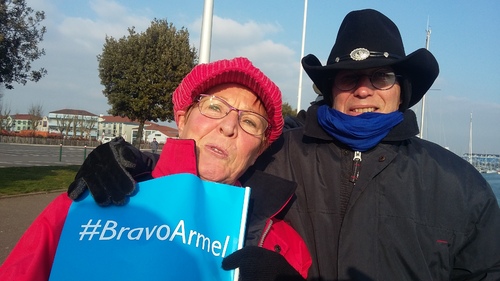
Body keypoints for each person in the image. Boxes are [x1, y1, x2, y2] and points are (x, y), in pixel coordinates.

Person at [0, 57, 311, 281]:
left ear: (258, 151)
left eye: (249, 121)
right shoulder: (89, 200)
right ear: (181, 119)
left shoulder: (284, 246)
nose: (229, 126)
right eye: (215, 107)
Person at [249, 9, 500, 280]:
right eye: (348, 77)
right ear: (331, 90)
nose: (364, 90)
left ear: (402, 89)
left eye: (381, 77)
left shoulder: (463, 185)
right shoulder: (271, 156)